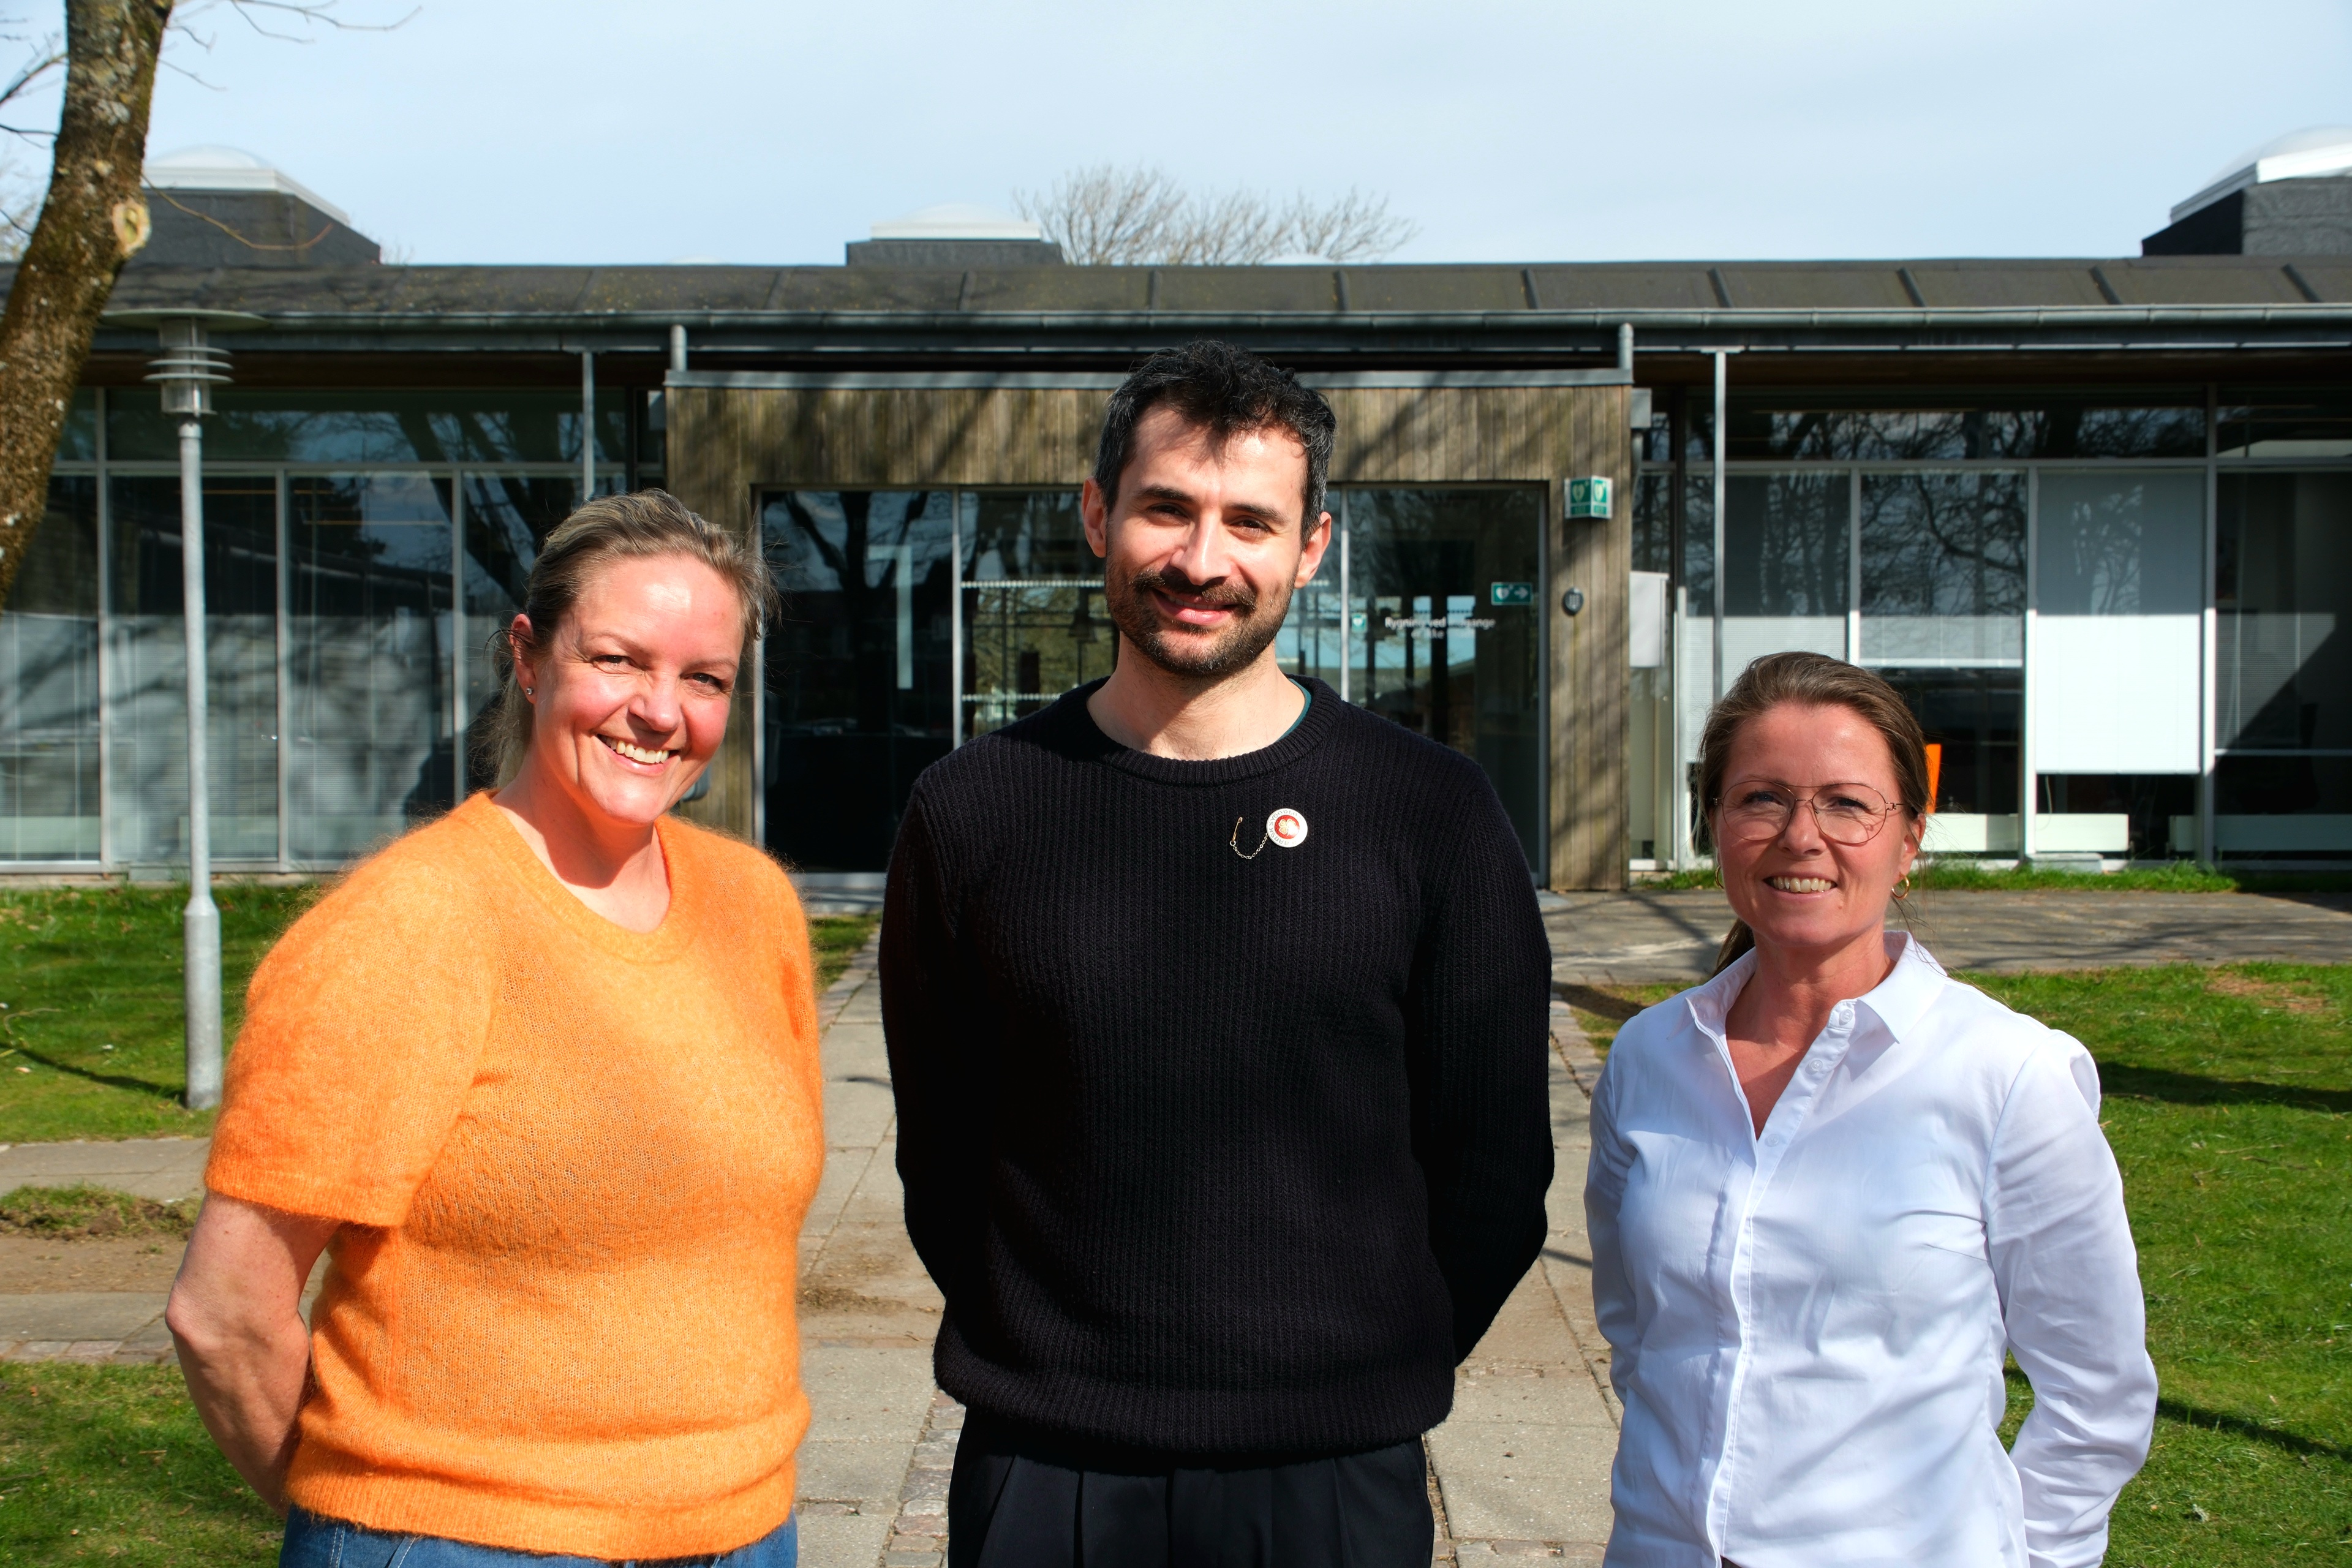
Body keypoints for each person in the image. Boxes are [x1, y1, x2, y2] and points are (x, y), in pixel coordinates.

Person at [881, 338, 1555, 1568]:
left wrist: (1352, 1365)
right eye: (1167, 510)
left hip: (1332, 1476)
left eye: (1251, 520)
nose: (1203, 561)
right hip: (1051, 1468)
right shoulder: (973, 810)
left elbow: (1496, 1167)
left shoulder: (1431, 811)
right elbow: (940, 1145)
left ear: (1311, 546)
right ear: (1097, 515)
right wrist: (1051, 1347)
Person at [166, 491, 818, 1567]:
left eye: (704, 679)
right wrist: (367, 1514)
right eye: (617, 659)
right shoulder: (409, 927)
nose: (661, 710)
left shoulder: (755, 911)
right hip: (467, 1541)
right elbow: (226, 1310)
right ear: (528, 656)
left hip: (745, 1528)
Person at [1586, 650, 2157, 1568]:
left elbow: (2099, 1394)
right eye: (1762, 798)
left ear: (1910, 840)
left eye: (1847, 804)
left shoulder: (2009, 1076)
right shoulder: (1651, 1058)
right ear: (1717, 824)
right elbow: (1640, 1332)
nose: (1801, 836)